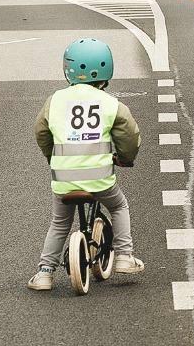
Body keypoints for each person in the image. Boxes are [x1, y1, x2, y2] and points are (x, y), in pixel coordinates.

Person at [28, 39, 146, 290]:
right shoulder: (112, 104)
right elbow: (130, 135)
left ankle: (44, 273)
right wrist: (125, 158)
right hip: (100, 178)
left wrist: (54, 157)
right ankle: (124, 257)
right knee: (118, 206)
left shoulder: (55, 100)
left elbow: (41, 132)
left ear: (67, 69)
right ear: (107, 70)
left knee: (60, 222)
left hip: (64, 178)